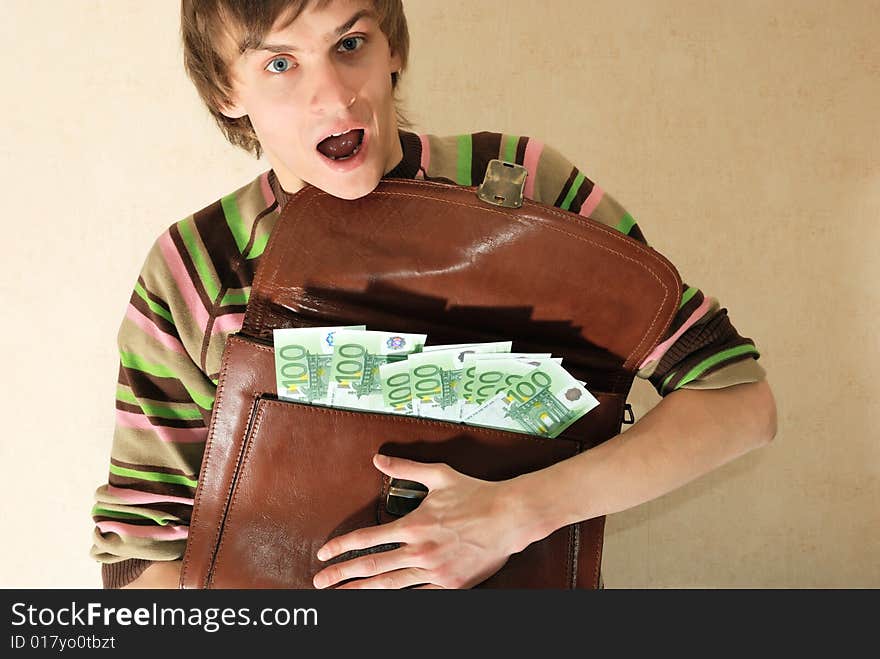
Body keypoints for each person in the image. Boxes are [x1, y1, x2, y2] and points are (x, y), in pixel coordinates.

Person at [90, 0, 777, 589]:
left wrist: (513, 514)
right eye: (280, 64)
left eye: (350, 44)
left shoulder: (530, 189)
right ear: (224, 91)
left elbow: (739, 401)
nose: (334, 96)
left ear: (393, 47)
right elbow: (138, 560)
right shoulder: (195, 266)